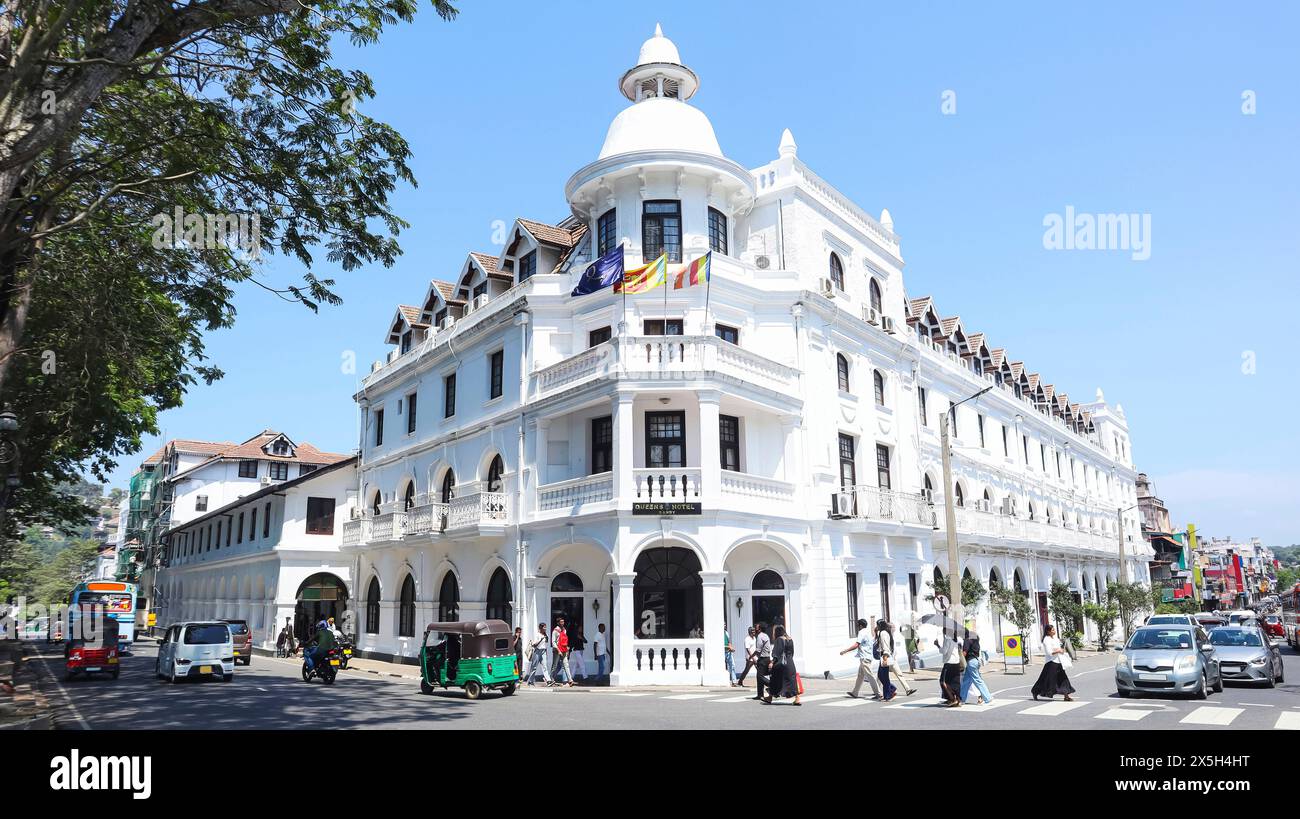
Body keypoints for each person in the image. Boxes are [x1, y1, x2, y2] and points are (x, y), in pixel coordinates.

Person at [1031, 624, 1076, 701]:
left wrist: (1061, 651)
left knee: (1063, 678)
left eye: (1054, 629)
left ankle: (1066, 696)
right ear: (1048, 632)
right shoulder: (1046, 640)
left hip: (1059, 661)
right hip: (1051, 662)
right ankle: (1035, 691)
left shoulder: (1055, 638)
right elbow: (1049, 652)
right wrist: (1058, 650)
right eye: (1052, 630)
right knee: (1045, 679)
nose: (1054, 631)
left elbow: (1058, 647)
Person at [840, 618, 882, 699]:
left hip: (864, 658)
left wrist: (845, 651)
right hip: (868, 656)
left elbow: (856, 645)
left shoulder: (861, 632)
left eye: (857, 626)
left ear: (860, 626)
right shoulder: (868, 632)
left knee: (870, 676)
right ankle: (855, 692)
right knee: (860, 676)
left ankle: (879, 693)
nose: (857, 627)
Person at [763, 624, 801, 705]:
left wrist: (772, 662)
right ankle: (797, 698)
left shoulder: (779, 640)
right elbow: (792, 652)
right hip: (790, 663)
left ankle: (770, 697)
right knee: (791, 681)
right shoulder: (790, 639)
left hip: (781, 664)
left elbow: (777, 653)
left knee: (774, 679)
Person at [959, 621, 994, 705]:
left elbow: (964, 652)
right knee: (966, 681)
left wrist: (959, 661)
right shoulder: (974, 639)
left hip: (970, 661)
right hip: (974, 661)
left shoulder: (967, 640)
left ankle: (988, 698)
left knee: (977, 680)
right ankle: (962, 699)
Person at [879, 620, 916, 696]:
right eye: (891, 626)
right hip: (889, 658)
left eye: (893, 626)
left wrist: (887, 658)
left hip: (889, 658)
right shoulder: (887, 634)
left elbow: (888, 648)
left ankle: (905, 689)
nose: (892, 628)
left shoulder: (887, 634)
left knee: (885, 676)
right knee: (882, 676)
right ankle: (879, 691)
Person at [935, 623, 962, 705]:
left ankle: (951, 698)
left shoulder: (947, 639)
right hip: (956, 663)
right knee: (954, 682)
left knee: (943, 681)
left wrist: (938, 645)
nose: (943, 631)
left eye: (944, 629)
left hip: (949, 663)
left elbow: (944, 651)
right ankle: (957, 699)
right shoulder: (956, 639)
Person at [875, 620, 898, 701]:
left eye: (877, 625)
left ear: (880, 625)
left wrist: (885, 658)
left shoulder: (883, 633)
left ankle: (888, 695)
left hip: (885, 655)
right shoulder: (884, 632)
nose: (876, 627)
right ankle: (891, 689)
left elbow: (885, 646)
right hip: (884, 655)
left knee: (884, 676)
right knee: (881, 676)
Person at [752, 622, 773, 701]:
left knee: (759, 676)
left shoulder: (760, 636)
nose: (755, 628)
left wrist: (751, 656)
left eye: (757, 627)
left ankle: (771, 685)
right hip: (767, 658)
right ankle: (760, 694)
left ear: (760, 628)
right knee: (759, 676)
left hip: (763, 659)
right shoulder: (766, 635)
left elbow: (758, 650)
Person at [551, 618, 573, 687]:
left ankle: (570, 680)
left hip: (563, 650)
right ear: (558, 623)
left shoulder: (564, 630)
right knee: (554, 666)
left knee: (566, 665)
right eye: (561, 622)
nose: (563, 623)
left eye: (563, 622)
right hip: (557, 651)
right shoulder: (555, 631)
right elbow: (553, 642)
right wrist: (558, 650)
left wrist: (567, 649)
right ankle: (551, 679)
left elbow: (565, 641)